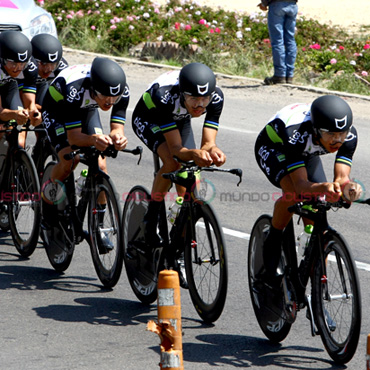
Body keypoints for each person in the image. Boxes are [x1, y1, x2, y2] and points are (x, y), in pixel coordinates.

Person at [254, 94, 362, 284]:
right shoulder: (296, 133)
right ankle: (273, 239)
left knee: (317, 207)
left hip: (306, 150)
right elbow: (301, 185)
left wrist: (350, 188)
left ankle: (317, 286)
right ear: (316, 129)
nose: (337, 141)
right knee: (295, 195)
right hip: (276, 148)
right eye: (330, 135)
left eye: (341, 135)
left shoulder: (349, 135)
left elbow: (342, 178)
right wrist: (324, 187)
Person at [131, 62, 226, 246]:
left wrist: (214, 151)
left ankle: (179, 245)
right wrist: (194, 154)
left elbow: (208, 143)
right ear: (183, 94)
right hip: (150, 118)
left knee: (190, 188)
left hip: (179, 118)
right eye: (194, 99)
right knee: (173, 163)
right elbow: (176, 150)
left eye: (204, 99)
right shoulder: (164, 96)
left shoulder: (216, 97)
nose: (199, 105)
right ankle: (150, 220)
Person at [41, 57, 129, 246]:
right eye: (105, 96)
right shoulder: (75, 89)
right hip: (58, 111)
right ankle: (47, 206)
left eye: (115, 98)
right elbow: (74, 138)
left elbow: (117, 127)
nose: (110, 102)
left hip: (87, 108)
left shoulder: (120, 91)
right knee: (69, 160)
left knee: (101, 165)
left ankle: (98, 227)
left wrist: (117, 137)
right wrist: (93, 139)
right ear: (94, 88)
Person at [0, 30, 41, 129]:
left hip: (8, 85)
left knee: (19, 124)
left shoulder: (31, 66)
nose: (17, 69)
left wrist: (33, 113)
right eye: (13, 63)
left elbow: (30, 104)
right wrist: (14, 114)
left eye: (22, 64)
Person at [258, 0, 298, 85]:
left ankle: (280, 74)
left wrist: (264, 3)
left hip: (277, 4)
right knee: (290, 40)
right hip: (292, 4)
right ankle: (289, 75)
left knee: (277, 40)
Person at [30, 33, 69, 108]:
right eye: (44, 64)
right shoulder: (23, 66)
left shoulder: (62, 67)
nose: (49, 69)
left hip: (43, 85)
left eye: (53, 64)